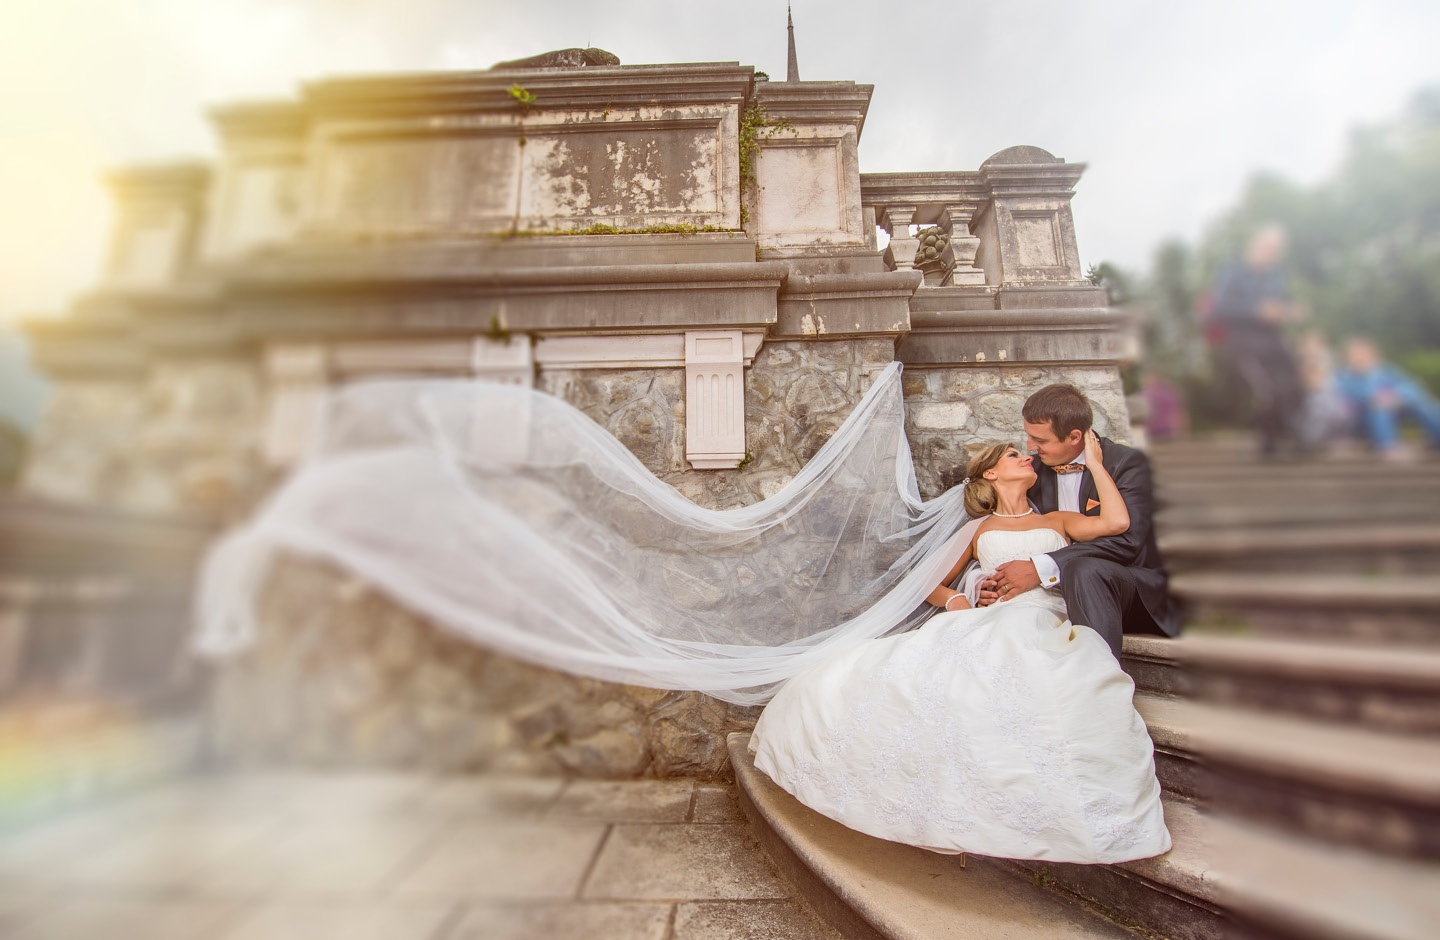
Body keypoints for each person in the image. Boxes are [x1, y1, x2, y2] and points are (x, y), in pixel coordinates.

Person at [749, 436, 1172, 863]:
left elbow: (1118, 522)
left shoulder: (1061, 520)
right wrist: (959, 597)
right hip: (987, 620)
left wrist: (1096, 465)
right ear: (990, 473)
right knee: (913, 678)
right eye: (1013, 455)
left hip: (1044, 620)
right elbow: (927, 583)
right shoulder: (979, 529)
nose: (1027, 456)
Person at [977, 384, 1179, 658]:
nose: (1030, 447)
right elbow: (1000, 529)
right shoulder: (1031, 471)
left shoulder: (1127, 464)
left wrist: (1042, 566)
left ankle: (1099, 681)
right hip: (1050, 598)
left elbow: (1127, 542)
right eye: (1028, 436)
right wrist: (983, 582)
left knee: (1084, 570)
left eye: (1041, 440)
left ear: (1074, 437)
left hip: (1129, 588)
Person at [1210, 225, 1309, 458]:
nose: (1271, 253)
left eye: (1276, 250)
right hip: (1242, 343)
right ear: (1254, 245)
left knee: (1293, 382)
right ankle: (1281, 442)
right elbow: (1219, 309)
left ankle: (1286, 439)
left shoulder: (1276, 276)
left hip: (1273, 342)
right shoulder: (1233, 272)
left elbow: (1282, 306)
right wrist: (1257, 310)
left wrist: (1290, 311)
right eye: (1267, 247)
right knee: (1265, 389)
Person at [1335, 336, 1440, 458]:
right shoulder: (1343, 377)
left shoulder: (1385, 370)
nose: (1360, 357)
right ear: (1347, 357)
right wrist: (1374, 398)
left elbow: (1413, 387)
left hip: (1392, 411)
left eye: (1363, 353)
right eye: (1355, 354)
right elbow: (1344, 401)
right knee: (1378, 406)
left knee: (1420, 402)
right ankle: (1387, 447)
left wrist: (1395, 396)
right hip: (1362, 419)